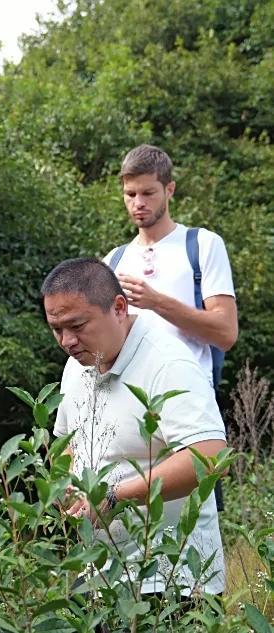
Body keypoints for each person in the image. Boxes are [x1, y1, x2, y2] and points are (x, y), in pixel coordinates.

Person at [44, 257, 227, 597]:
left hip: (169, 580)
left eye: (77, 325)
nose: (67, 341)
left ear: (118, 308)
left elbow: (211, 457)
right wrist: (64, 485)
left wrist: (115, 497)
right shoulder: (77, 364)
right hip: (96, 574)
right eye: (57, 329)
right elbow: (67, 444)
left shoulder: (168, 362)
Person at [104, 144, 238, 388]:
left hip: (189, 392)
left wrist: (156, 302)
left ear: (170, 190)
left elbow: (226, 334)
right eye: (130, 194)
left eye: (148, 193)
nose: (138, 203)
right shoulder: (114, 260)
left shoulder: (202, 244)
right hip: (129, 394)